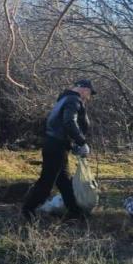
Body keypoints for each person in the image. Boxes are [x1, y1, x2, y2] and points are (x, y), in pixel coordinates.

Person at [22, 79, 96, 222]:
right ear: (84, 89)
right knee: (47, 181)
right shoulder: (73, 100)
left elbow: (56, 123)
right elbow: (69, 122)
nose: (89, 96)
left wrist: (71, 144)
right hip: (56, 146)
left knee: (64, 180)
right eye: (89, 92)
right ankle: (28, 209)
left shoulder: (64, 99)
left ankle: (75, 212)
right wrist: (81, 142)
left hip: (55, 144)